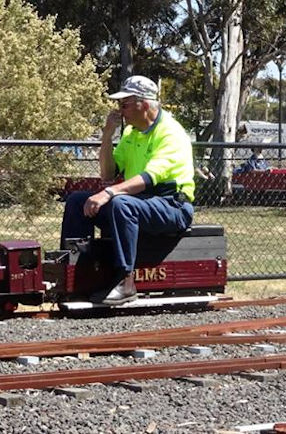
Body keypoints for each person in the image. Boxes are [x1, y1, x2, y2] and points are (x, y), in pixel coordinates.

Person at [60, 75, 195, 305]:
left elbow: (148, 178)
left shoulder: (170, 133)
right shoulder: (131, 133)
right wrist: (106, 135)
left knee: (120, 203)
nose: (120, 110)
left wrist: (109, 193)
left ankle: (126, 281)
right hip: (142, 201)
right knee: (76, 201)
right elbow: (108, 174)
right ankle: (74, 271)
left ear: (143, 104)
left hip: (173, 205)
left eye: (124, 104)